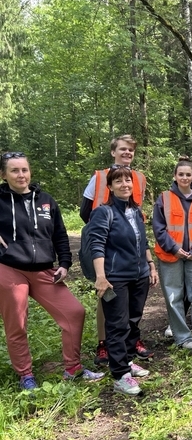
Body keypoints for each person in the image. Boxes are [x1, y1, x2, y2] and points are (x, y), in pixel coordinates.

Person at [0, 151, 103, 390]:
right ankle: (26, 375)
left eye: (24, 169)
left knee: (74, 312)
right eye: (14, 170)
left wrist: (65, 264)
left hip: (44, 270)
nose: (21, 175)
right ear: (4, 175)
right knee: (17, 323)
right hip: (10, 269)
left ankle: (73, 368)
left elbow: (60, 235)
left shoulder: (45, 199)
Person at [80, 134, 152, 366]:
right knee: (109, 301)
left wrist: (148, 262)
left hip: (133, 251)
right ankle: (105, 346)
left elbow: (140, 226)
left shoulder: (138, 178)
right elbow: (84, 211)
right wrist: (106, 233)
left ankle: (130, 346)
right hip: (109, 249)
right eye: (122, 149)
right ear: (113, 152)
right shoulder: (100, 177)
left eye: (130, 150)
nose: (127, 153)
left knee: (130, 309)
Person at [87, 166, 159, 395]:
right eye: (119, 182)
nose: (125, 185)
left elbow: (143, 242)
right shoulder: (103, 212)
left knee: (133, 321)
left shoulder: (136, 211)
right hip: (115, 278)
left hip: (139, 275)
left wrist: (151, 265)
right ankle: (119, 375)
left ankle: (126, 363)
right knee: (117, 325)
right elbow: (96, 245)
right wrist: (100, 277)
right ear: (110, 186)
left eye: (128, 181)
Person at [153, 157, 192, 349]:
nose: (185, 177)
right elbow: (159, 228)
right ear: (175, 176)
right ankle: (183, 337)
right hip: (170, 255)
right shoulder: (164, 198)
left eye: (188, 174)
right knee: (174, 296)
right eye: (181, 174)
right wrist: (174, 248)